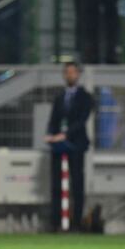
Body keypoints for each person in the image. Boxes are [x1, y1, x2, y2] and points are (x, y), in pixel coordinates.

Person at [45, 62, 94, 232]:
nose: (70, 75)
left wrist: (65, 135)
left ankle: (76, 223)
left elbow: (81, 120)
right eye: (67, 72)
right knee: (56, 184)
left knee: (77, 184)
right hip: (58, 145)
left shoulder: (85, 97)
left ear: (78, 74)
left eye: (73, 72)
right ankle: (55, 222)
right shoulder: (59, 97)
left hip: (76, 144)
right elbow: (53, 120)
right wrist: (51, 135)